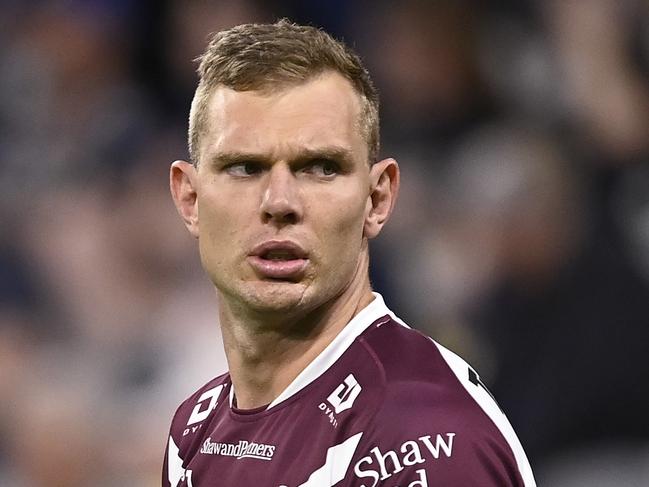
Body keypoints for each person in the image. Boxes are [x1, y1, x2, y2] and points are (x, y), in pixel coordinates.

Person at [164, 20, 536, 487]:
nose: (280, 202)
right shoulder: (194, 433)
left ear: (377, 199)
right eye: (244, 167)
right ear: (190, 200)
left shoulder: (422, 437)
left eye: (320, 167)